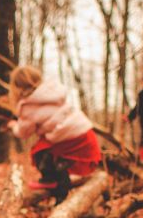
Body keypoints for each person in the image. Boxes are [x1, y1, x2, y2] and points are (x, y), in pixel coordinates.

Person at [7, 65, 102, 203]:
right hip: (85, 133)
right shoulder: (52, 93)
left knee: (40, 151)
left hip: (69, 136)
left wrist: (13, 125)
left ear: (17, 87)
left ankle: (50, 180)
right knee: (58, 160)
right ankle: (60, 194)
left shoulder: (27, 105)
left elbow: (23, 132)